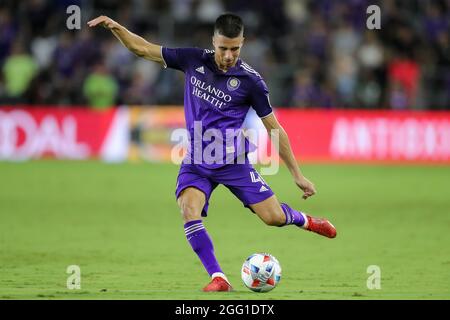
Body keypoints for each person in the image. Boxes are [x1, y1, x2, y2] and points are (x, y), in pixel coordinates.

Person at [88, 13, 337, 292]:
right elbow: (143, 49)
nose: (228, 55)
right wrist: (117, 27)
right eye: (223, 48)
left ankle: (306, 221)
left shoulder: (251, 82)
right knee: (188, 210)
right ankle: (219, 277)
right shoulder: (193, 60)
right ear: (213, 42)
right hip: (196, 160)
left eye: (235, 49)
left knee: (273, 218)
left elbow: (274, 129)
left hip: (233, 162)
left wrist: (297, 175)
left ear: (242, 44)